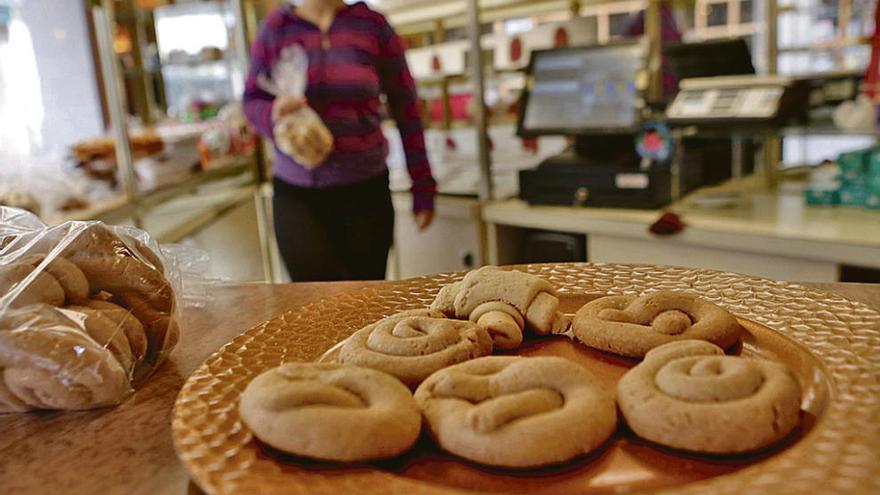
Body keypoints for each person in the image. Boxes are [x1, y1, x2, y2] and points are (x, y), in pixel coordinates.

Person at [243, 0, 436, 281]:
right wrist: (272, 112)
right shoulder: (276, 27)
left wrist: (423, 185)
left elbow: (406, 108)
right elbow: (251, 100)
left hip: (366, 193)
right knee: (313, 307)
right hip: (298, 197)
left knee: (364, 304)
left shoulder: (373, 26)